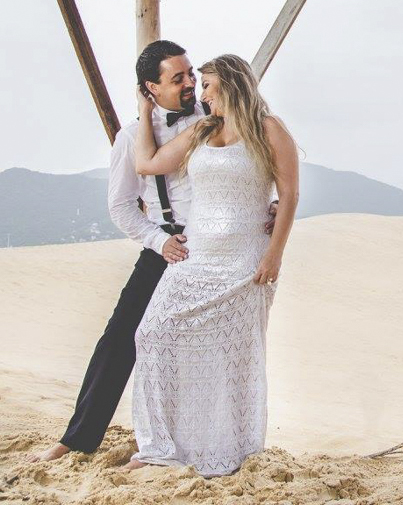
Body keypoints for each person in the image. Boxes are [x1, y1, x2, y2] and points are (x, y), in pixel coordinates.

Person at [28, 41, 277, 463]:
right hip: (165, 247)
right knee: (121, 338)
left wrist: (265, 204)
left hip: (217, 249)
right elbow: (121, 206)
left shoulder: (214, 118)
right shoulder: (131, 137)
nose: (191, 85)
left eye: (191, 76)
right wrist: (159, 241)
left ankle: (205, 443)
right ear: (150, 87)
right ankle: (77, 439)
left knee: (212, 346)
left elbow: (251, 165)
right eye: (178, 78)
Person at [125, 53, 299, 477]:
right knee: (151, 333)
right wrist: (145, 112)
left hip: (245, 262)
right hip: (196, 256)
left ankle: (224, 452)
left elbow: (289, 195)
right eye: (200, 85)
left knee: (231, 358)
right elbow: (147, 163)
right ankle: (160, 446)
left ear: (231, 84)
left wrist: (273, 254)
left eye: (206, 85)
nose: (200, 94)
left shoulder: (269, 129)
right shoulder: (204, 130)